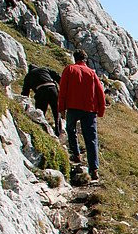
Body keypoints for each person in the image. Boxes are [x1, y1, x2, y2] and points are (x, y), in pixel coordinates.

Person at [58, 49, 106, 181]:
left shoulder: (69, 69)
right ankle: (94, 169)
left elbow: (63, 90)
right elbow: (100, 92)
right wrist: (101, 110)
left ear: (75, 58)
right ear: (86, 60)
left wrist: (61, 108)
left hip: (73, 107)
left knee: (70, 129)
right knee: (91, 139)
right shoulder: (92, 73)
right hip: (90, 110)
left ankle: (76, 154)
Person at [21, 63, 61, 135]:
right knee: (56, 111)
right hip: (53, 89)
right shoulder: (44, 69)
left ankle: (43, 131)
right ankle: (58, 130)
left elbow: (25, 93)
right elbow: (58, 77)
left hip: (41, 91)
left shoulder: (28, 75)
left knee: (40, 113)